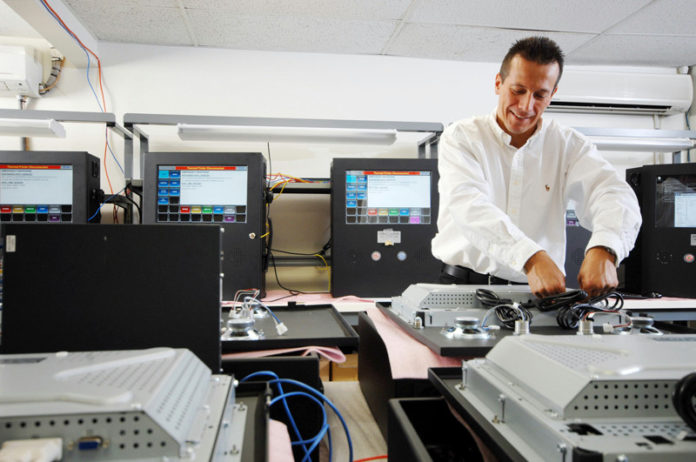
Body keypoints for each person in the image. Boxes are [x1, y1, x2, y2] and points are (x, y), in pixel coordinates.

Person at [431, 36, 642, 298]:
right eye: (518, 90)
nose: (526, 106)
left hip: (537, 293)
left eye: (539, 95)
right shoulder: (462, 137)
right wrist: (531, 257)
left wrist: (605, 248)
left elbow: (612, 193)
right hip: (463, 287)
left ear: (552, 95)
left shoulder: (569, 145)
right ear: (499, 83)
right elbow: (469, 207)